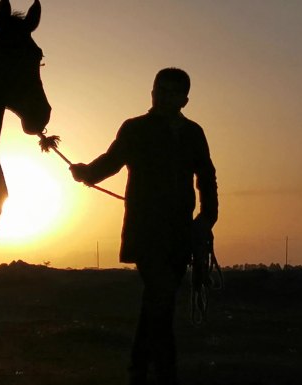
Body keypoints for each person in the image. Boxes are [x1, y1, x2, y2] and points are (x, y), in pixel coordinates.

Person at [70, 67, 218, 385]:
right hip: (146, 230)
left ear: (184, 99)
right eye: (157, 89)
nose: (159, 96)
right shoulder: (135, 129)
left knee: (156, 299)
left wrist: (207, 220)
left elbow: (207, 177)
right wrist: (86, 173)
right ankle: (165, 372)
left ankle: (138, 367)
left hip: (180, 233)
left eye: (168, 92)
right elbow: (111, 161)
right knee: (160, 297)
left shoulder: (194, 133)